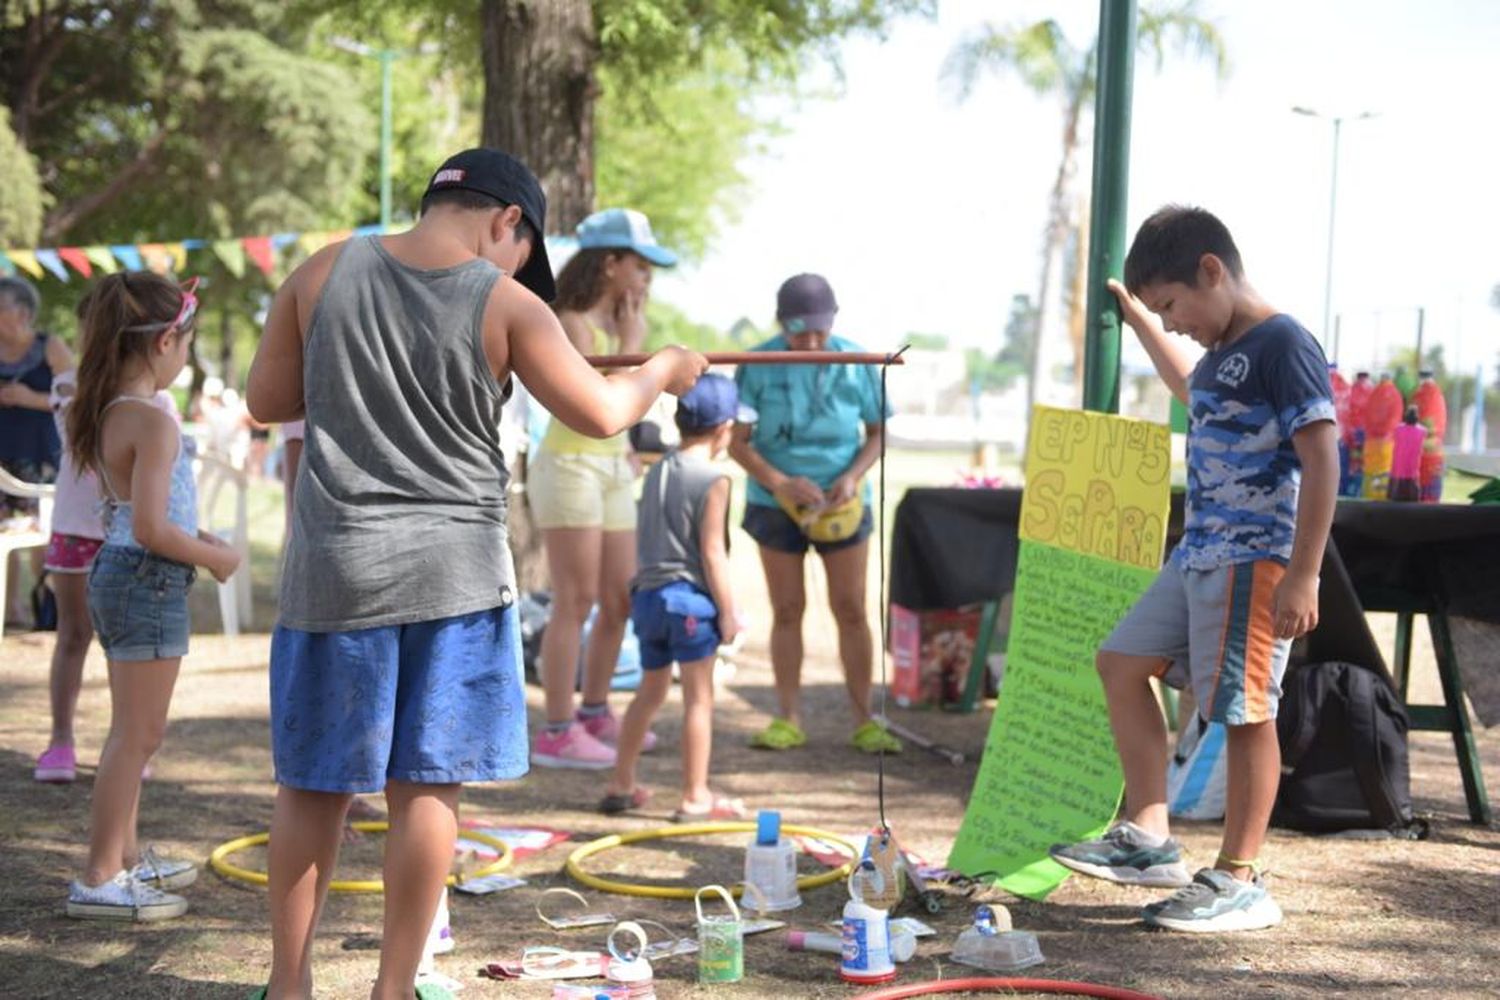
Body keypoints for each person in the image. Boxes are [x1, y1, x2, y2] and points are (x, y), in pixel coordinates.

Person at [244, 148, 706, 1000]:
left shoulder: (320, 271)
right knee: (425, 787)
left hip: (335, 570)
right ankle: (392, 989)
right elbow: (604, 413)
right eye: (518, 249)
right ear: (508, 224)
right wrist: (664, 370)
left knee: (312, 786)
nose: (512, 262)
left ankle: (288, 985)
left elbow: (267, 400)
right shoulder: (508, 302)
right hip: (454, 579)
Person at [1049, 205, 1339, 933]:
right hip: (1197, 554)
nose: (1173, 322)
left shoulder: (1281, 341)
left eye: (1173, 305)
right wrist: (1140, 316)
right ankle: (1149, 838)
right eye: (1161, 313)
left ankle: (1240, 878)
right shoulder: (1220, 354)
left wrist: (1305, 573)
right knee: (1120, 661)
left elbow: (1323, 453)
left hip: (1252, 559)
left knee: (1244, 712)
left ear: (1212, 270)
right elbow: (1191, 387)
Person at [63, 272, 242, 921]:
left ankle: (127, 857)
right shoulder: (151, 419)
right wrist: (218, 559)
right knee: (137, 736)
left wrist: (195, 535)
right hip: (148, 577)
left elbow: (142, 512)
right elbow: (150, 528)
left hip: (125, 575)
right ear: (165, 340)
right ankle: (101, 874)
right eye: (187, 343)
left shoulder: (115, 409)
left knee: (132, 733)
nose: (187, 356)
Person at [529, 207, 680, 770]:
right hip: (570, 467)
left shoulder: (607, 328)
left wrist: (629, 340)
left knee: (619, 598)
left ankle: (595, 712)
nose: (646, 281)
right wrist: (636, 344)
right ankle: (557, 729)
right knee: (576, 599)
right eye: (640, 267)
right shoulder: (567, 322)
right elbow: (597, 407)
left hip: (612, 470)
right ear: (610, 263)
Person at [729, 273, 901, 755]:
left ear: (834, 323)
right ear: (781, 323)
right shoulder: (755, 363)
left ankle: (866, 720)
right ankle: (787, 718)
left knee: (851, 608)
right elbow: (737, 443)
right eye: (798, 331)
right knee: (786, 610)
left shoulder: (857, 361)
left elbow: (877, 433)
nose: (809, 341)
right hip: (774, 504)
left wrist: (852, 477)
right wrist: (780, 482)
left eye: (819, 331)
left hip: (843, 503)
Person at [35, 290, 178, 784]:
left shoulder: (158, 400)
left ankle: (127, 743)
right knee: (72, 634)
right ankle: (61, 740)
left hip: (129, 539)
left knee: (128, 653)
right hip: (80, 528)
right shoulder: (72, 386)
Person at [599, 374, 747, 822]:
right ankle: (694, 794)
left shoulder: (658, 467)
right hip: (689, 602)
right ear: (724, 429)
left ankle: (621, 782)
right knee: (699, 699)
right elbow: (711, 552)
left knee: (649, 691)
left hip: (648, 599)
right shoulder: (714, 479)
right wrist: (728, 612)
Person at [0, 275, 72, 624]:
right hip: (2, 459)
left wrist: (31, 399)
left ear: (24, 312)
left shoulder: (50, 347)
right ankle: (8, 608)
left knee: (41, 536)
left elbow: (78, 397)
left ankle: (45, 610)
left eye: (2, 308)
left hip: (41, 456)